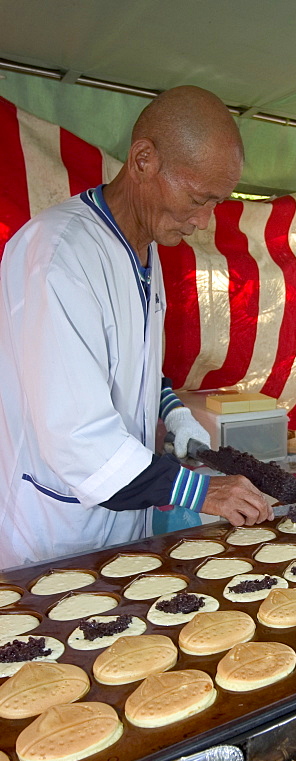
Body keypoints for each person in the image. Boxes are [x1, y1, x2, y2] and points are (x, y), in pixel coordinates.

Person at [0, 86, 272, 570]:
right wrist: (200, 490)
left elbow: (132, 364)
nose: (204, 220)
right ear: (143, 159)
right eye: (197, 198)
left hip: (121, 521)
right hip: (55, 532)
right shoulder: (58, 255)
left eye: (217, 203)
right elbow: (77, 438)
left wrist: (175, 413)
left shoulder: (143, 247)